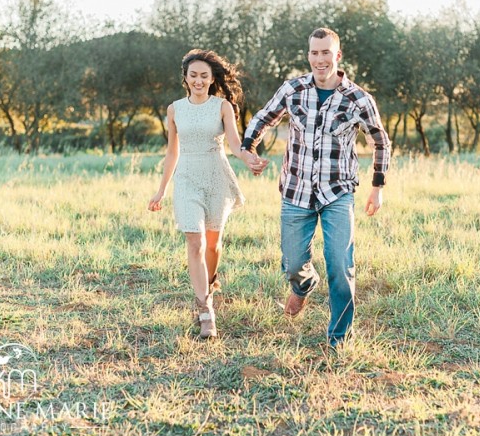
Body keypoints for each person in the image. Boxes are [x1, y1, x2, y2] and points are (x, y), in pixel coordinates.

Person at [241, 27, 391, 348]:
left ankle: (338, 339)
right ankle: (303, 285)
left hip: (338, 191)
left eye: (326, 53)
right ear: (308, 55)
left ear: (337, 56)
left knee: (340, 263)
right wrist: (247, 147)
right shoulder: (293, 89)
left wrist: (377, 186)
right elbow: (265, 117)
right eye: (314, 53)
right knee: (293, 262)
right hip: (296, 190)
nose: (319, 59)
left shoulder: (358, 99)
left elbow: (380, 141)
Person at [149, 49, 267, 339]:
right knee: (195, 241)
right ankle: (205, 309)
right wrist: (161, 189)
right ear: (186, 78)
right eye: (193, 76)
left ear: (212, 78)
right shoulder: (174, 109)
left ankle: (209, 283)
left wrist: (250, 159)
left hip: (217, 177)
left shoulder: (223, 106)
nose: (198, 80)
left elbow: (236, 144)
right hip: (187, 178)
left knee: (213, 246)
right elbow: (172, 150)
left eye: (204, 75)